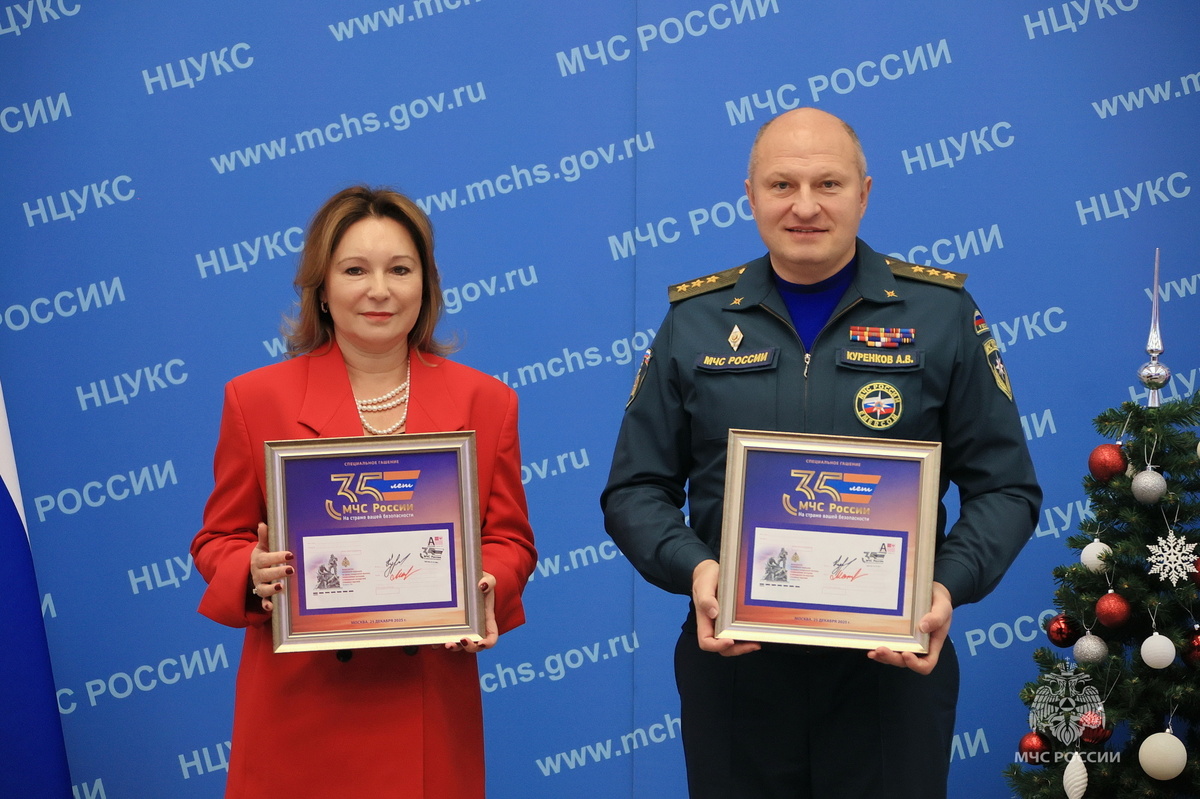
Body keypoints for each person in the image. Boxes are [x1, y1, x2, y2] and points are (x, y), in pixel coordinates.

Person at [600, 108, 1041, 798]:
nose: (804, 206)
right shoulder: (695, 321)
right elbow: (635, 489)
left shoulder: (941, 314)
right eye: (782, 185)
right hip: (738, 667)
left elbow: (1006, 488)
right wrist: (698, 568)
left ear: (864, 193)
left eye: (828, 184)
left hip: (890, 667)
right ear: (750, 196)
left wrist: (944, 584)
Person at [191, 186, 537, 798]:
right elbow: (218, 539)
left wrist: (487, 583)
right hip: (299, 712)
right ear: (322, 288)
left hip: (427, 707)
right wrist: (250, 570)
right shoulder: (255, 399)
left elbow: (510, 540)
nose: (379, 290)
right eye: (355, 270)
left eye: (400, 270)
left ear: (425, 286)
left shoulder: (486, 401)